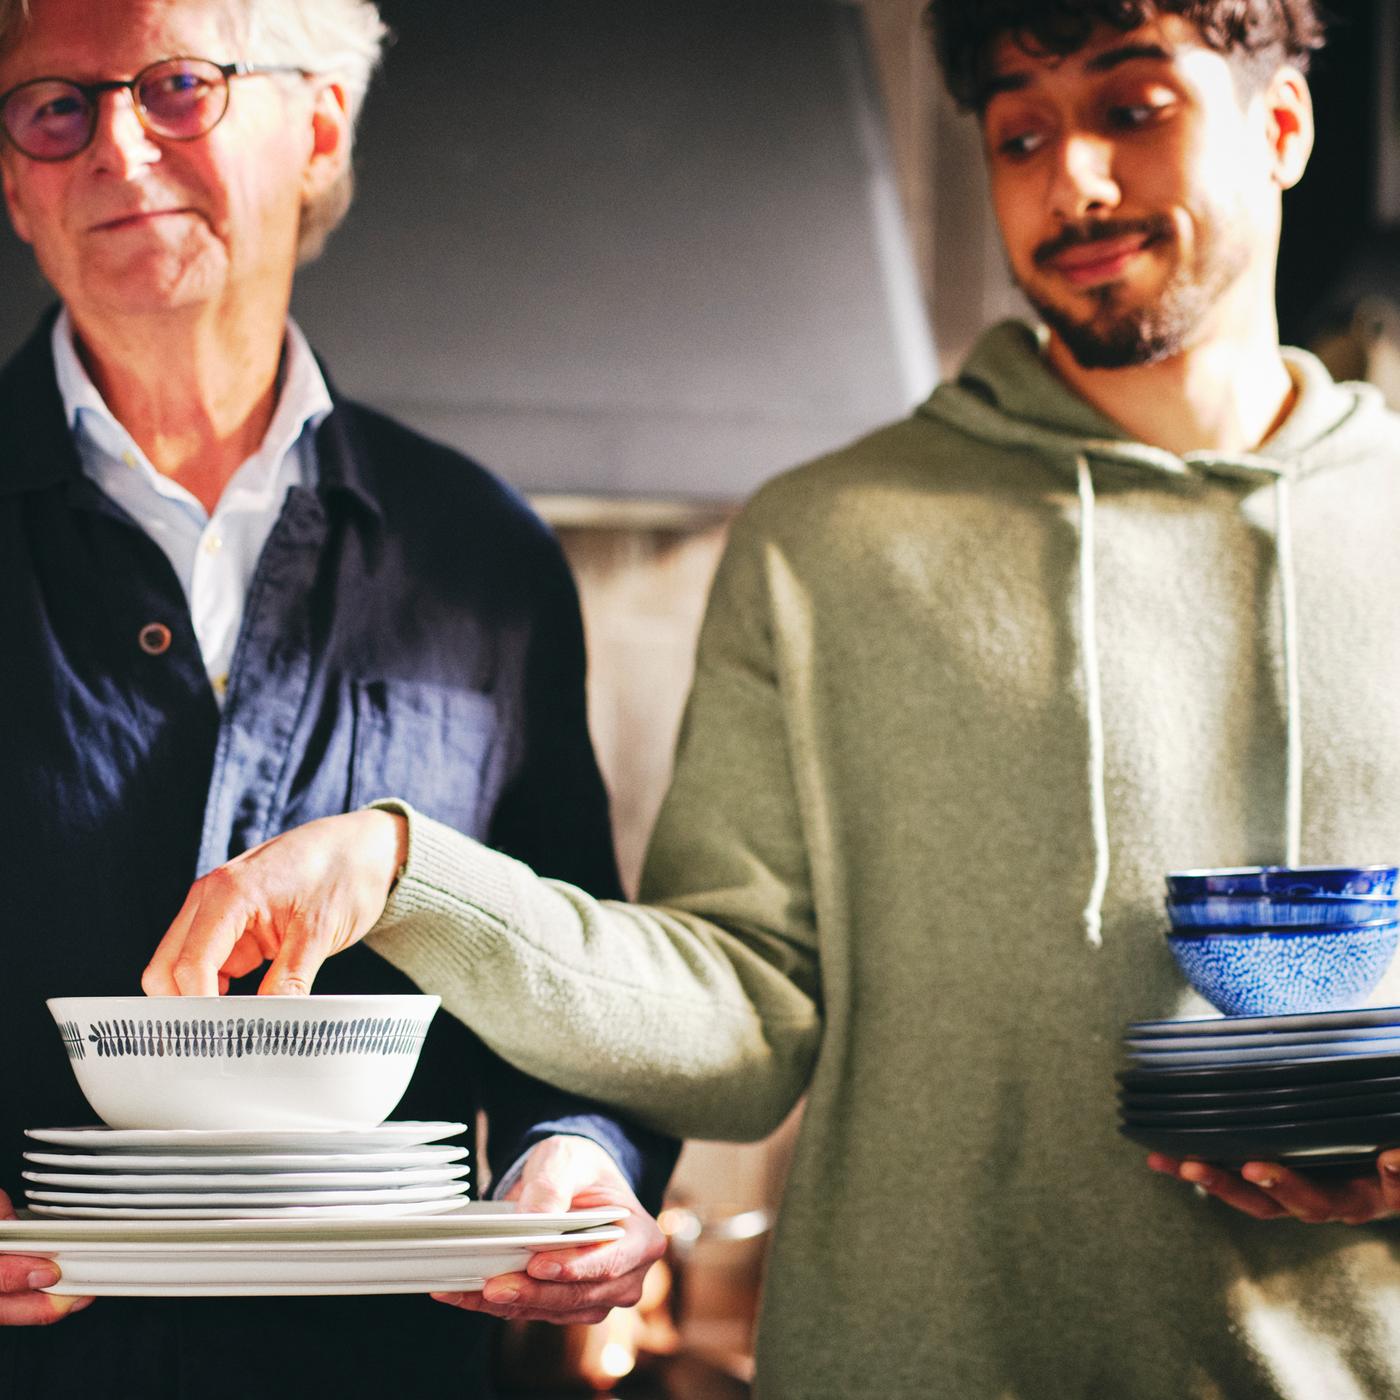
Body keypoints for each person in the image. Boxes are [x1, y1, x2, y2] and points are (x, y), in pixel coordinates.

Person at [142, 0, 1400, 1395]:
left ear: (1282, 125)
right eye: (1020, 129)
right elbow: (739, 1012)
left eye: (1134, 108)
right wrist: (400, 873)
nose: (1074, 179)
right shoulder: (830, 540)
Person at [0, 0, 675, 1394]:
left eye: (175, 87)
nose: (116, 147)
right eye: (55, 104)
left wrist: (576, 1158)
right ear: (14, 178)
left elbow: (573, 965)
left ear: (316, 126)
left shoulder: (483, 551)